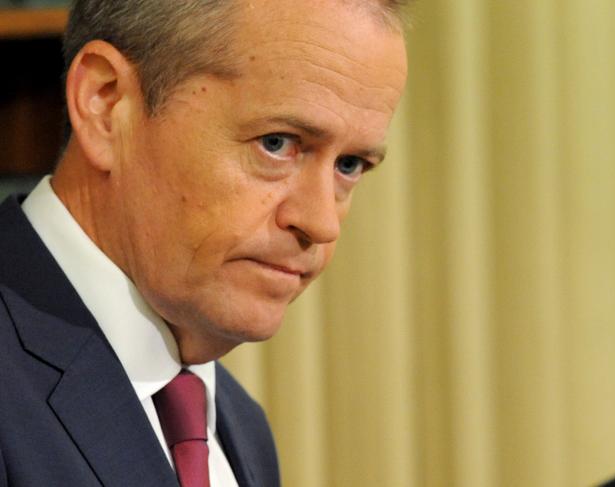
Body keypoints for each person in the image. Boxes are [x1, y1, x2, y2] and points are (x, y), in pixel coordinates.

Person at [0, 0, 408, 485]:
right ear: (106, 104)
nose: (321, 223)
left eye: (350, 166)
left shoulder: (239, 425)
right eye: (276, 143)